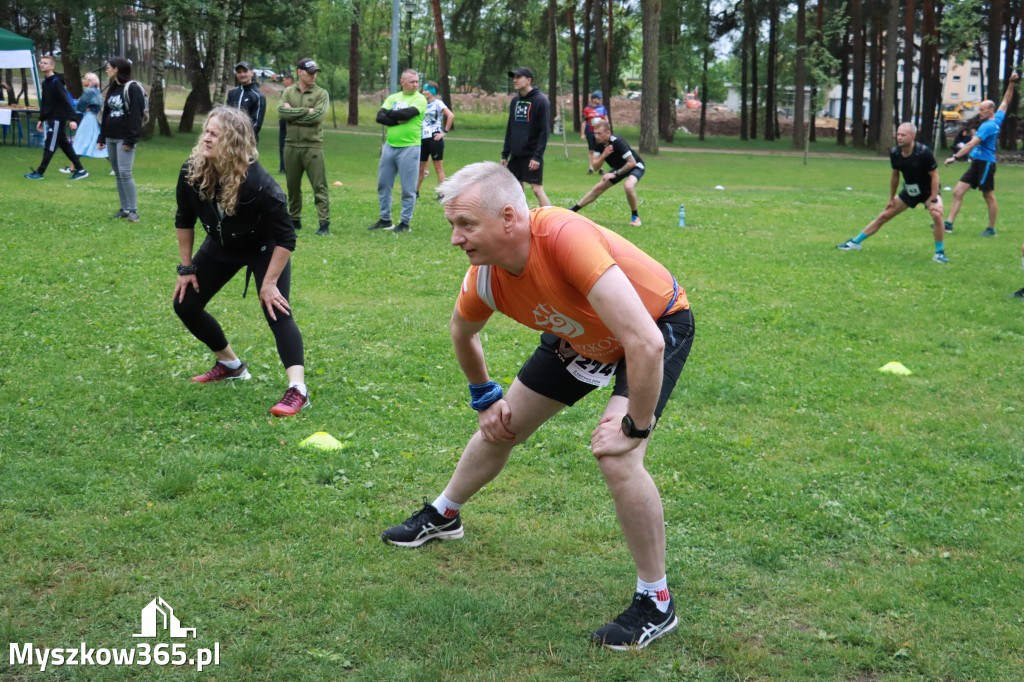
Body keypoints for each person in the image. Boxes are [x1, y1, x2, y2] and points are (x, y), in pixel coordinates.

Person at [381, 161, 695, 651]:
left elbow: (646, 341)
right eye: (452, 226)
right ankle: (445, 515)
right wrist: (485, 396)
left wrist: (634, 427)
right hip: (581, 335)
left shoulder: (564, 237)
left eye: (466, 225)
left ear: (509, 217)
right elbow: (463, 333)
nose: (455, 240)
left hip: (656, 325)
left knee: (617, 457)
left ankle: (656, 601)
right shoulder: (486, 276)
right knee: (500, 426)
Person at [173, 106, 310, 417]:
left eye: (214, 134)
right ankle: (230, 364)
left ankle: (298, 389)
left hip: (265, 246)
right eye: (205, 131)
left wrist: (270, 282)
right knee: (186, 303)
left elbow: (286, 238)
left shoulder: (261, 185)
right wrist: (186, 268)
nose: (205, 138)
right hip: (223, 244)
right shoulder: (192, 170)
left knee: (277, 309)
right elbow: (184, 218)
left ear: (233, 141)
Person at [837, 122, 949, 263]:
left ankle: (939, 253)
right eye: (898, 134)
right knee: (884, 215)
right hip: (909, 190)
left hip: (928, 191)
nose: (899, 137)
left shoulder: (924, 152)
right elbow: (895, 175)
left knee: (937, 215)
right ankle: (854, 243)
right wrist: (891, 198)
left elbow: (935, 175)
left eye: (903, 135)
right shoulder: (895, 153)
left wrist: (934, 198)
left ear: (913, 136)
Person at [943, 72, 1019, 237]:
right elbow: (1006, 100)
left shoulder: (988, 126)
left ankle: (991, 229)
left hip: (986, 164)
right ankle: (948, 224)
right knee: (957, 191)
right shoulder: (997, 118)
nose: (980, 112)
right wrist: (1011, 83)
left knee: (988, 196)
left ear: (991, 111)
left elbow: (970, 144)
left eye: (983, 110)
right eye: (980, 109)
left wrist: (955, 157)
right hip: (977, 163)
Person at [368, 69, 427, 234]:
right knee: (383, 183)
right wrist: (398, 119)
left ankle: (405, 222)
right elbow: (380, 117)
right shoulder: (393, 98)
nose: (416, 85)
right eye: (412, 82)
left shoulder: (420, 99)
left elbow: (409, 113)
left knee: (408, 188)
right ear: (403, 82)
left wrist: (391, 115)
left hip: (410, 148)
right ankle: (385, 219)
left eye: (417, 82)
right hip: (390, 146)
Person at [279, 58, 330, 235]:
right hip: (291, 145)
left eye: (315, 72)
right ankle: (295, 220)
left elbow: (317, 117)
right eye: (310, 72)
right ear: (300, 72)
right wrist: (304, 110)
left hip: (312, 145)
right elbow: (281, 112)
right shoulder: (287, 92)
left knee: (319, 186)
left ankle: (324, 223)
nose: (313, 75)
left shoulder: (321, 94)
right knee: (292, 185)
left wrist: (293, 112)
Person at [569, 119, 646, 227]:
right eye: (595, 133)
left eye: (599, 133)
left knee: (628, 186)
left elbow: (632, 163)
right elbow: (595, 167)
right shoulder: (598, 143)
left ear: (608, 133)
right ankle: (573, 210)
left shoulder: (617, 141)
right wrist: (604, 155)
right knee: (598, 188)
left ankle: (635, 217)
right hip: (619, 168)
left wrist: (615, 174)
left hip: (635, 166)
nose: (596, 136)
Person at [24, 55, 88, 181]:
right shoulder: (45, 82)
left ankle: (40, 172)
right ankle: (80, 170)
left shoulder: (56, 82)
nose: (42, 65)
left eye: (45, 63)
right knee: (64, 145)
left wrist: (73, 119)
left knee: (50, 145)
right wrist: (41, 119)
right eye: (41, 63)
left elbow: (66, 100)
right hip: (51, 118)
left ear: (52, 66)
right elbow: (46, 102)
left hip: (58, 119)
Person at [98, 57, 145, 222]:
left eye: (108, 67)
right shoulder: (113, 87)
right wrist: (102, 136)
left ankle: (133, 211)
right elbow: (106, 113)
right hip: (110, 136)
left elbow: (136, 116)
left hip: (124, 138)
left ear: (117, 69)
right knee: (118, 173)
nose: (106, 70)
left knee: (125, 173)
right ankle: (124, 208)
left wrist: (130, 140)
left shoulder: (132, 88)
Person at [501, 66, 551, 207]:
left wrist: (537, 156)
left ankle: (552, 219)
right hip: (516, 154)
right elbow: (510, 128)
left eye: (518, 77)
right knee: (515, 187)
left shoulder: (541, 101)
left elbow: (544, 131)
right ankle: (521, 218)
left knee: (536, 189)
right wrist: (505, 154)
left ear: (528, 80)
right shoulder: (515, 101)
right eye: (514, 77)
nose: (514, 80)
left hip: (531, 155)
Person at [60, 72, 107, 169]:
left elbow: (79, 107)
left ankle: (72, 168)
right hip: (95, 118)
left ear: (89, 81)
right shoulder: (96, 91)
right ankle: (116, 168)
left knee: (79, 141)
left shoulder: (88, 91)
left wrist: (79, 102)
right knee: (96, 142)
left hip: (89, 119)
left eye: (85, 78)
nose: (83, 80)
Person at [416, 81, 454, 197]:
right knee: (420, 167)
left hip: (434, 138)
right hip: (422, 138)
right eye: (423, 90)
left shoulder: (438, 103)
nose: (424, 92)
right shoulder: (421, 103)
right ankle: (415, 192)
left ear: (432, 91)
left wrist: (444, 132)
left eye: (426, 90)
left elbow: (450, 115)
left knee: (438, 166)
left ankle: (442, 193)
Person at [225, 61, 267, 142]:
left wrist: (242, 136)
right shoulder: (232, 93)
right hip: (230, 140)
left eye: (245, 71)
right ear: (236, 74)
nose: (242, 74)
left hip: (248, 142)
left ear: (251, 73)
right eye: (239, 72)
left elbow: (257, 124)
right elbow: (225, 115)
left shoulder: (258, 96)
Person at [581, 90, 608, 175]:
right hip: (590, 132)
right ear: (593, 99)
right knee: (591, 150)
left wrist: (608, 130)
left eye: (600, 98)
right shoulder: (587, 109)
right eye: (598, 98)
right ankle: (591, 168)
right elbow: (584, 122)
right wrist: (582, 133)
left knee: (601, 150)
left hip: (601, 132)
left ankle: (600, 168)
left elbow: (606, 120)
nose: (600, 100)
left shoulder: (603, 108)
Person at [277, 72, 293, 174]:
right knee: (283, 145)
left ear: (289, 80)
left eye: (284, 80)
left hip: (289, 121)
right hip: (283, 121)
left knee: (286, 145)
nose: (283, 81)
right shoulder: (286, 91)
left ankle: (286, 167)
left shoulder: (292, 92)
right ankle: (283, 167)